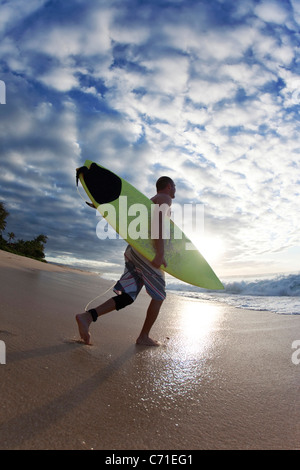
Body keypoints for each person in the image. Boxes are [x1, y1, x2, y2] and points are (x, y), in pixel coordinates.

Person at [76, 176, 176, 347]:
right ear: (168, 186)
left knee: (128, 296)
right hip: (147, 254)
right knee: (159, 296)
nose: (175, 190)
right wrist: (160, 253)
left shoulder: (150, 201)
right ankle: (143, 336)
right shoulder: (164, 198)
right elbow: (158, 223)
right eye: (174, 186)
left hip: (133, 251)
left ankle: (87, 317)